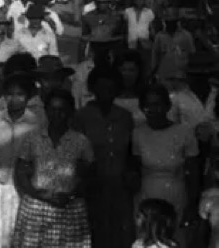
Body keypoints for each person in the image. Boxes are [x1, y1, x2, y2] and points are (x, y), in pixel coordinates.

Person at [11, 89, 93, 248]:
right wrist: (40, 194)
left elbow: (90, 175)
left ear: (71, 111)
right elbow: (20, 173)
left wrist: (71, 195)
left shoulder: (81, 141)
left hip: (69, 208)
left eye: (62, 110)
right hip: (36, 207)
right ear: (46, 111)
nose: (57, 114)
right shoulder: (32, 138)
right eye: (53, 109)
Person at [73, 66, 135, 248]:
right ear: (93, 89)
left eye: (110, 89)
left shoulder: (125, 117)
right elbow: (76, 153)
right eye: (101, 88)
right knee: (93, 233)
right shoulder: (82, 116)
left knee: (118, 233)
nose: (106, 93)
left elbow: (131, 149)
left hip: (119, 186)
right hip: (92, 186)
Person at [0, 74, 41, 248]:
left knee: (18, 236)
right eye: (10, 94)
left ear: (27, 96)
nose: (14, 99)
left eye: (20, 94)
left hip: (22, 190)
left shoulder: (36, 124)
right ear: (4, 96)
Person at [133, 84, 200, 232]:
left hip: (176, 194)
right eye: (147, 105)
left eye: (157, 104)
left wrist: (192, 204)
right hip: (146, 196)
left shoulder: (184, 132)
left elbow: (193, 172)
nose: (153, 110)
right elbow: (135, 168)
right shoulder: (138, 133)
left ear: (167, 106)